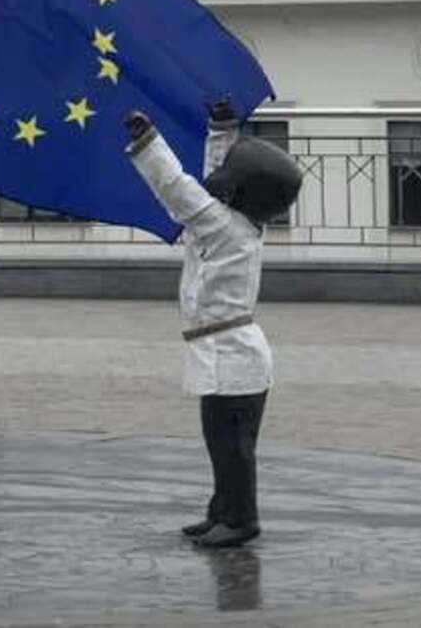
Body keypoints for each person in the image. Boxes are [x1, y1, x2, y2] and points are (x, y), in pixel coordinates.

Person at [125, 100, 301, 549]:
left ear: (242, 193)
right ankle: (222, 511)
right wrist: (221, 130)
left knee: (234, 447)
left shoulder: (222, 227)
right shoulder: (236, 221)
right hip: (224, 353)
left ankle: (242, 519)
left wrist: (148, 142)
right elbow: (214, 183)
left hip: (233, 357)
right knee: (221, 444)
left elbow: (178, 189)